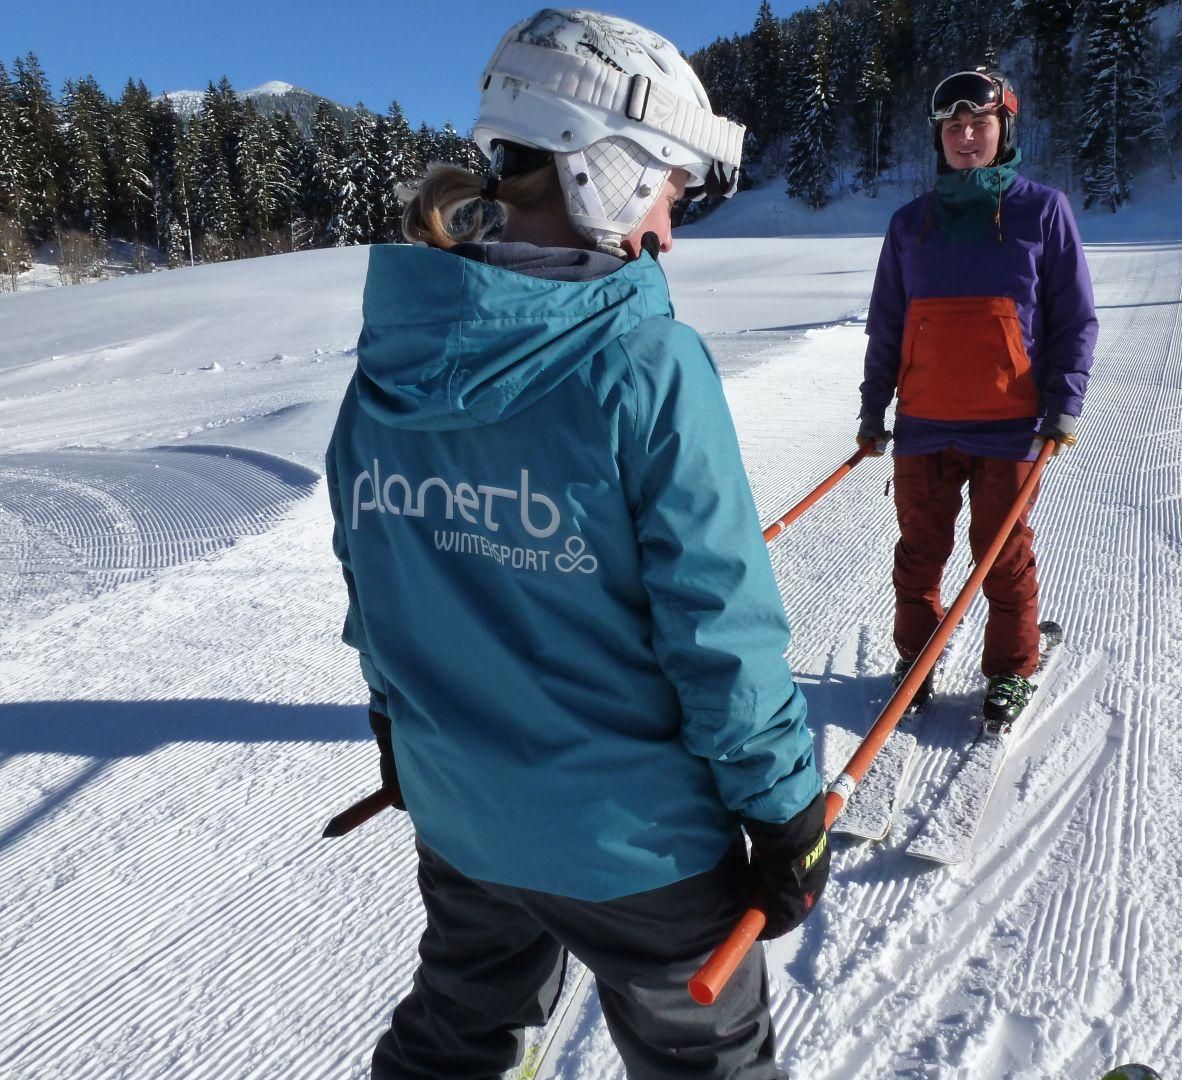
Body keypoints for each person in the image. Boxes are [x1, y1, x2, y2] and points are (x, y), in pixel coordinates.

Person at [324, 10, 829, 1079]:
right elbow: (719, 630)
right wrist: (785, 813)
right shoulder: (646, 363)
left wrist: (393, 720)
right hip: (638, 852)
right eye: (667, 192)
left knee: (458, 1032)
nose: (667, 233)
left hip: (463, 815)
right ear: (608, 168)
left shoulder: (390, 356)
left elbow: (376, 581)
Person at [856, 68, 1098, 730]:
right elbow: (887, 323)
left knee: (1003, 554)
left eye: (979, 125)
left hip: (1011, 424)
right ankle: (916, 661)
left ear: (1005, 130)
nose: (966, 137)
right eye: (953, 127)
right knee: (919, 551)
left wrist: (1063, 403)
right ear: (939, 137)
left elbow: (1074, 318)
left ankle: (1011, 672)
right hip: (925, 423)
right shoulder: (911, 223)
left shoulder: (1043, 210)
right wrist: (874, 409)